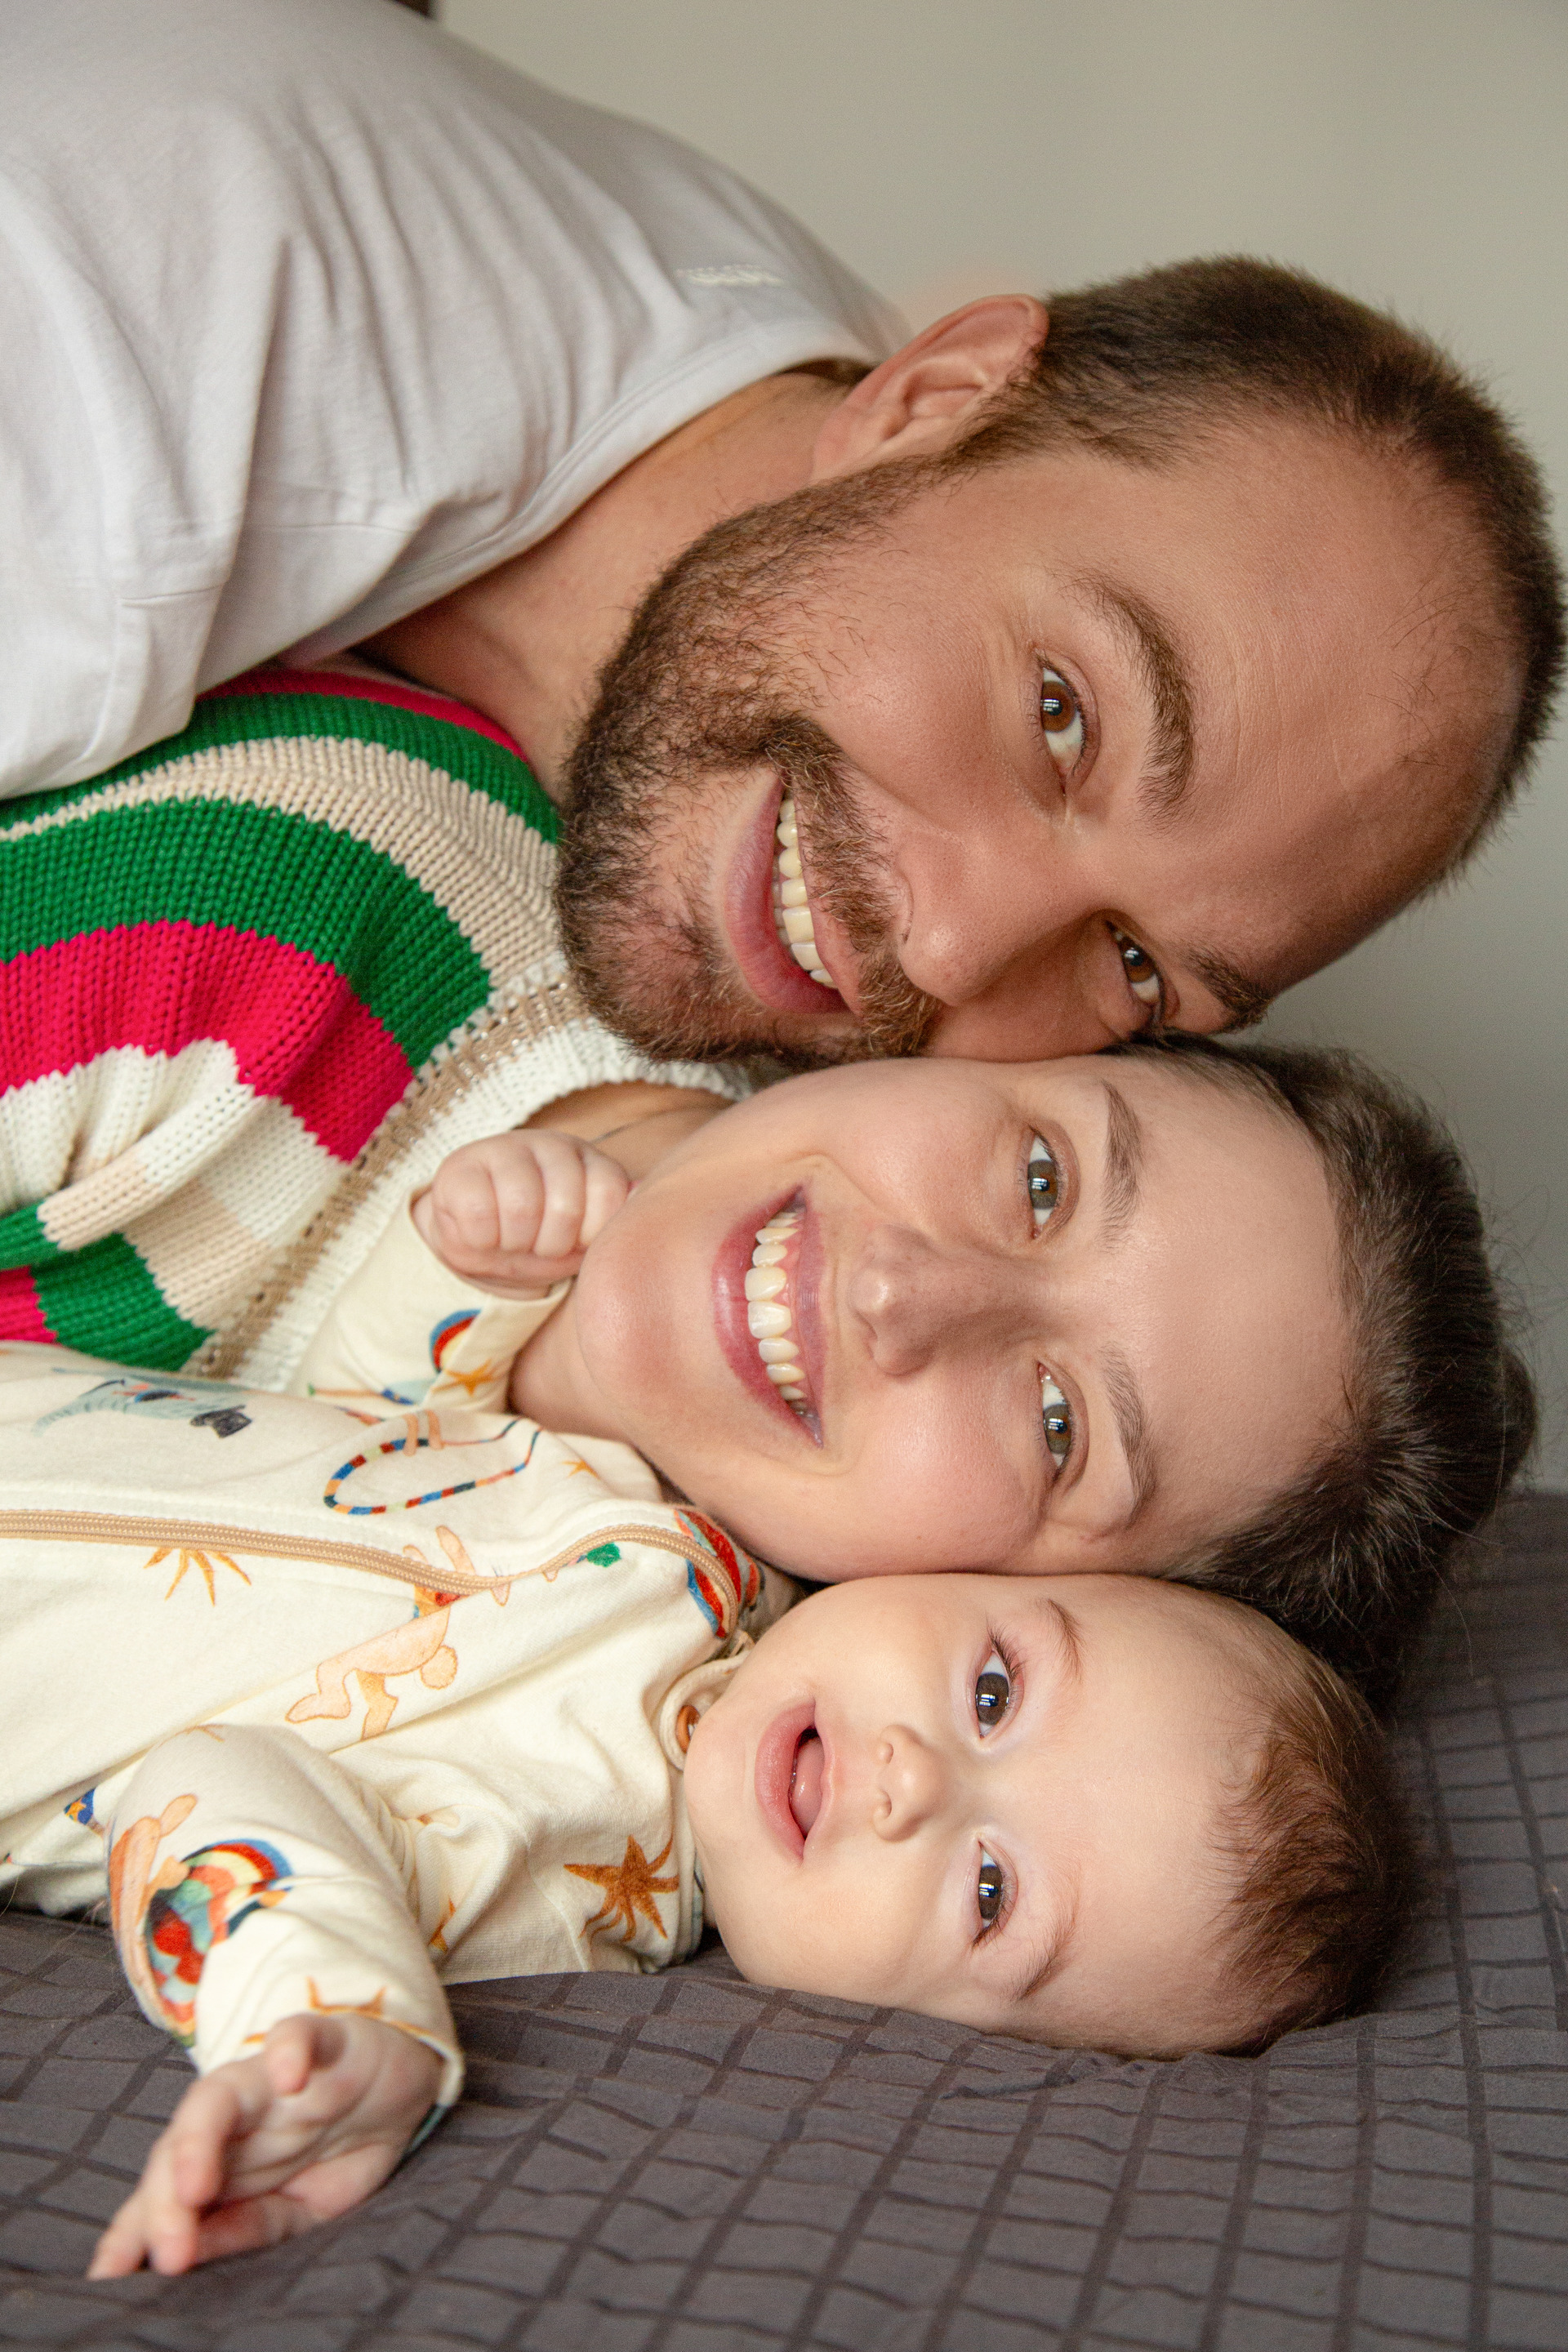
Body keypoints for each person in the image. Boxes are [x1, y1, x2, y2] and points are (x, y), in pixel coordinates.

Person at [4, 1, 1562, 1068]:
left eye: (1140, 971)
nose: (956, 955)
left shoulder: (803, 416)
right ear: (929, 395)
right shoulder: (105, 418)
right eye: (1061, 715)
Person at [0, 1350, 1409, 2279]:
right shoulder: (719, 1514)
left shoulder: (574, 1870)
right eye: (992, 1689)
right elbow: (361, 1390)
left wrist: (325, 1997)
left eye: (992, 1895)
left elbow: (199, 1790)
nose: (918, 1776)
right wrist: (486, 1261)